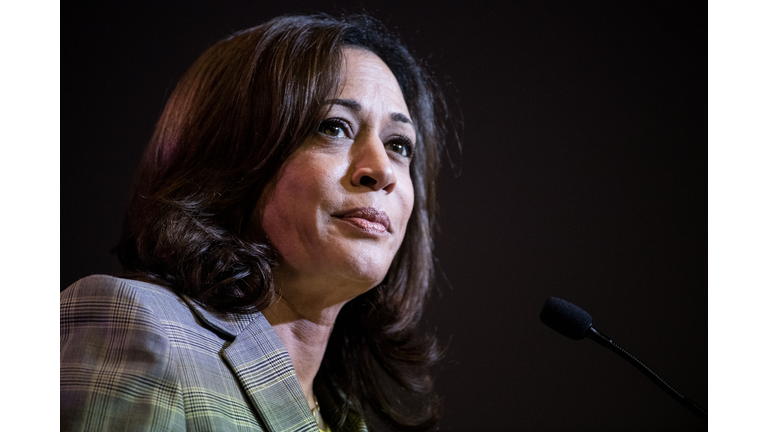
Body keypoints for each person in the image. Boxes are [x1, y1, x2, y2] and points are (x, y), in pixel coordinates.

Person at [60, 13, 453, 432]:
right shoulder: (136, 327)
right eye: (334, 127)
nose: (382, 170)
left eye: (398, 145)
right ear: (231, 155)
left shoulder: (339, 414)